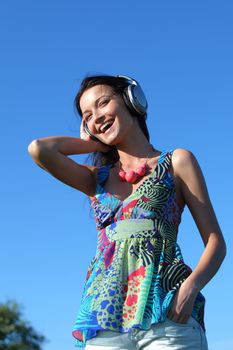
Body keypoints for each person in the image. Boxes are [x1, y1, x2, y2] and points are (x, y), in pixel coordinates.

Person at [28, 74, 226, 350]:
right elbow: (40, 149)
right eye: (88, 115)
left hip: (167, 313)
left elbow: (216, 242)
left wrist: (190, 289)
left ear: (132, 100)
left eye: (103, 103)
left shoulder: (177, 161)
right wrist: (96, 142)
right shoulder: (95, 178)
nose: (96, 116)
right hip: (105, 318)